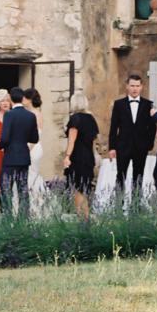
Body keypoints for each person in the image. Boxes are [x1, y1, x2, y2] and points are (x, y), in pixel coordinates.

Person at [107, 73, 155, 202]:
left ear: (141, 87)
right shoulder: (119, 104)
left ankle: (136, 207)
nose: (135, 89)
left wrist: (149, 144)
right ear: (127, 86)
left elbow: (152, 127)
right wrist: (112, 147)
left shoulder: (148, 104)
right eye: (132, 85)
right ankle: (118, 206)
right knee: (120, 176)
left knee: (138, 177)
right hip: (123, 146)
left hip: (141, 147)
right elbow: (113, 127)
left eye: (137, 86)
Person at [0, 86, 39, 215]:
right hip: (23, 156)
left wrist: (0, 145)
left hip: (10, 157)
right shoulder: (31, 115)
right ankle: (23, 218)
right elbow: (35, 138)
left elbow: (4, 137)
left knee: (6, 189)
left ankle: (8, 218)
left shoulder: (9, 115)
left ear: (10, 99)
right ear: (22, 98)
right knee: (23, 190)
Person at [63, 91, 99, 219]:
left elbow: (72, 140)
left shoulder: (75, 119)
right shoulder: (91, 119)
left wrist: (67, 156)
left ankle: (81, 216)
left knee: (78, 188)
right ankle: (86, 215)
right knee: (85, 187)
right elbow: (94, 141)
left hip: (77, 156)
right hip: (88, 156)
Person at [23, 87, 45, 199]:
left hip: (33, 147)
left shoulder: (35, 114)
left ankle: (35, 202)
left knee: (31, 174)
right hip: (31, 146)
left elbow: (37, 134)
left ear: (29, 99)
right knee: (29, 175)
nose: (22, 99)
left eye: (24, 97)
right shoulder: (31, 113)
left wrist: (27, 149)